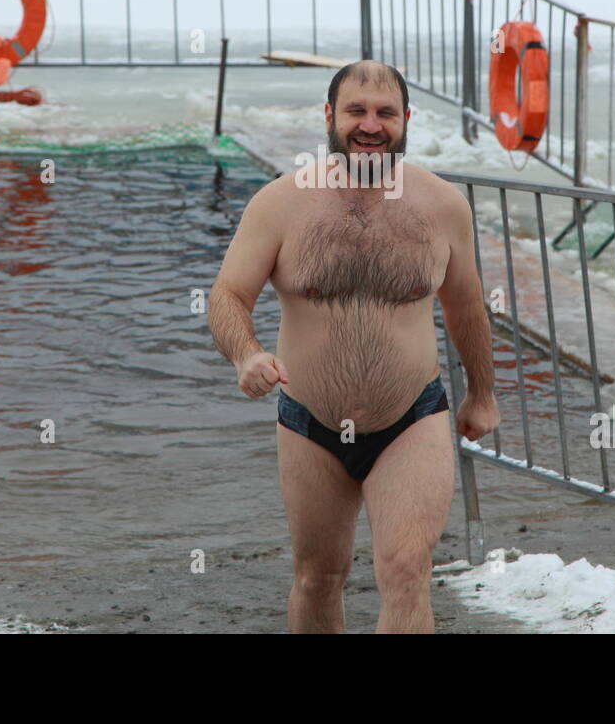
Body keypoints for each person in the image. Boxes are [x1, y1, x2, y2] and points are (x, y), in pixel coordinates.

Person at [208, 60, 499, 633]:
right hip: (308, 422)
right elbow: (228, 293)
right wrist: (245, 354)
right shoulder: (280, 202)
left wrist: (483, 394)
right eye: (356, 112)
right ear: (329, 117)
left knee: (407, 571)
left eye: (386, 113)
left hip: (411, 418)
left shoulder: (442, 206)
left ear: (407, 120)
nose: (371, 125)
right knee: (318, 575)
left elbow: (465, 304)